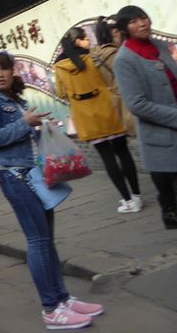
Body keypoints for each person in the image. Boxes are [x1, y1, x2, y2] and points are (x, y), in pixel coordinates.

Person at [0, 49, 105, 330]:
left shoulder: (13, 98)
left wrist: (42, 127)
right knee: (37, 241)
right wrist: (24, 123)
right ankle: (50, 309)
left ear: (12, 70)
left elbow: (21, 135)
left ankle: (62, 299)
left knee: (46, 240)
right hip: (14, 177)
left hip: (33, 174)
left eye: (3, 69)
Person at [54, 27, 142, 213]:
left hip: (86, 118)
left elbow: (61, 93)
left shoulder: (60, 67)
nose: (89, 41)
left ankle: (127, 200)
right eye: (85, 38)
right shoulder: (93, 58)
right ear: (77, 41)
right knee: (123, 152)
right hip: (108, 110)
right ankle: (137, 196)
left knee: (107, 158)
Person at [113, 5, 177, 230]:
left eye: (143, 17)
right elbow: (137, 104)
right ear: (124, 29)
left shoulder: (160, 46)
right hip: (160, 134)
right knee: (170, 192)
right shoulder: (124, 59)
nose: (142, 23)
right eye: (133, 21)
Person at [91, 17, 138, 138]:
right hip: (131, 101)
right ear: (115, 32)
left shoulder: (97, 55)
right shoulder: (115, 55)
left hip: (119, 102)